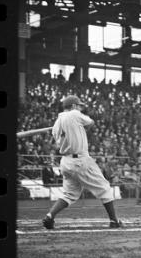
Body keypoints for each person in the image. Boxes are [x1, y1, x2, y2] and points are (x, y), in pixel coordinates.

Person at [42, 95, 123, 229]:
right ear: (73, 106)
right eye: (79, 106)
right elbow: (91, 122)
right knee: (105, 188)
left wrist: (76, 129)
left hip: (66, 162)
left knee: (69, 194)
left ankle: (49, 217)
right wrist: (81, 128)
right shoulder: (74, 114)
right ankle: (114, 221)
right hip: (80, 159)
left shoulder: (57, 124)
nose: (80, 108)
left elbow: (62, 141)